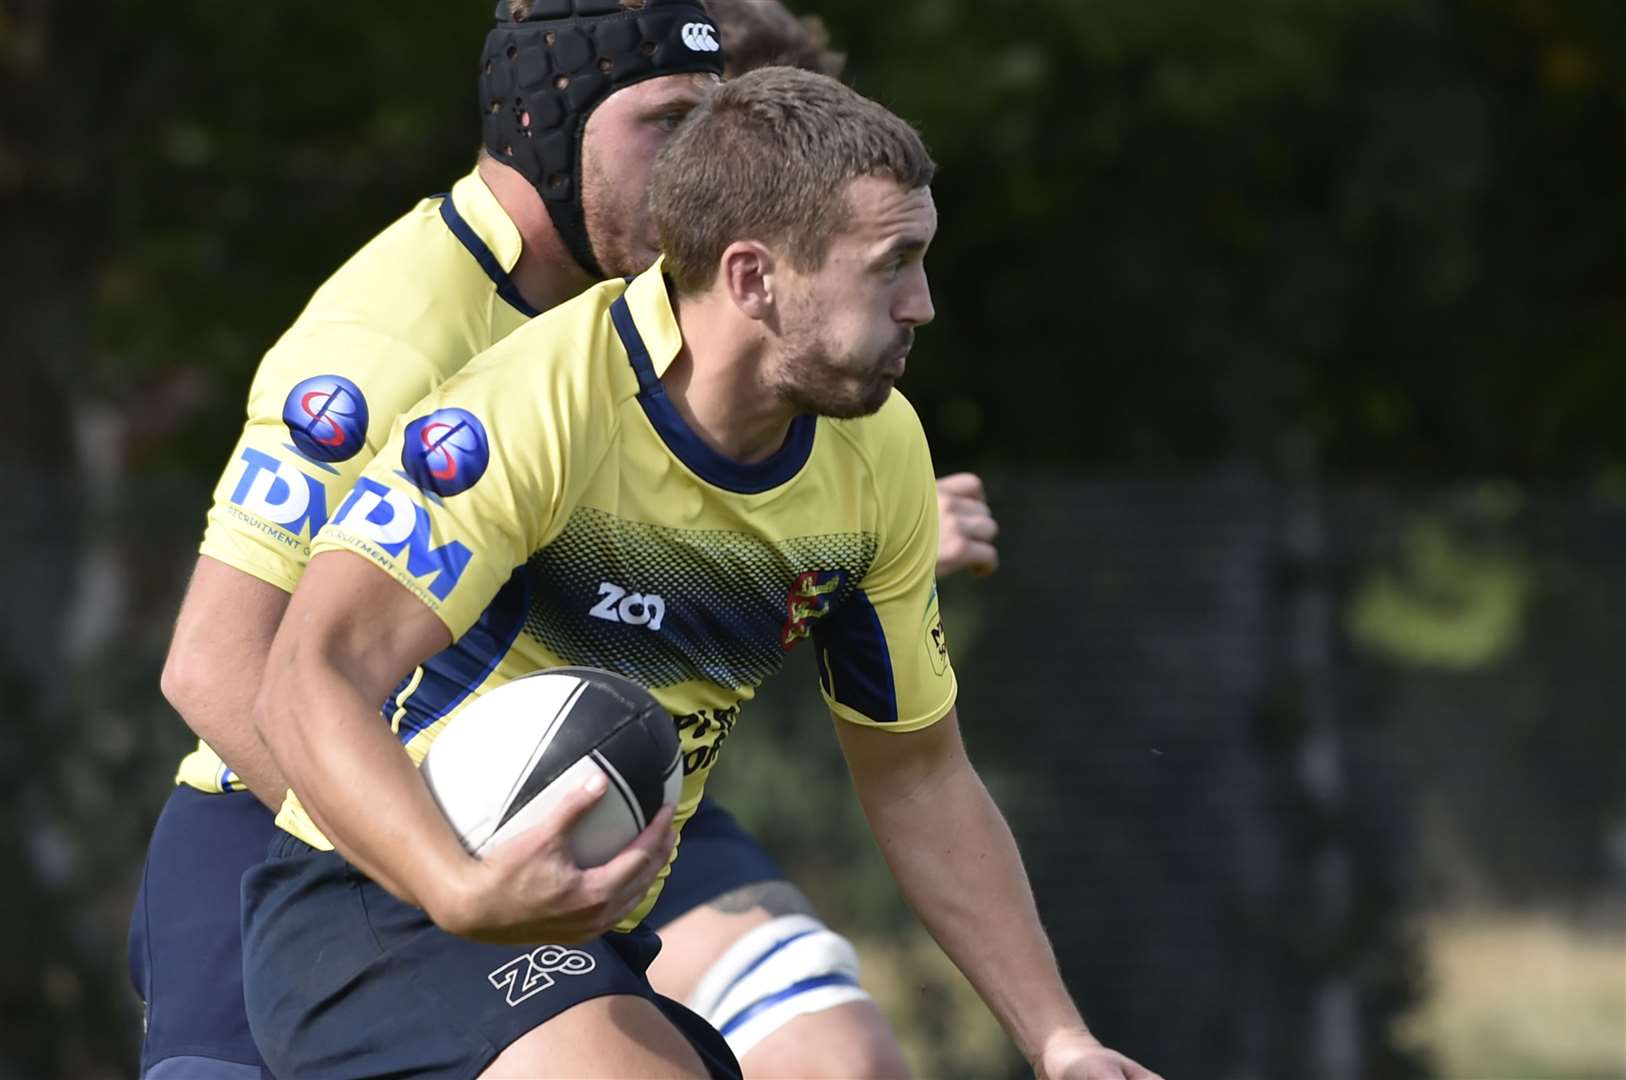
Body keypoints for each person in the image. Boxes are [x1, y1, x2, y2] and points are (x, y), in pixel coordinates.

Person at [128, 1, 997, 1077]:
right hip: (295, 828)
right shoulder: (393, 343)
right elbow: (221, 665)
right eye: (669, 124)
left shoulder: (675, 313)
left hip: (567, 787)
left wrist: (829, 563)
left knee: (836, 1051)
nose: (699, 162)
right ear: (554, 128)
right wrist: (437, 867)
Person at [240, 65, 1160, 1080]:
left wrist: (1060, 1040)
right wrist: (458, 887)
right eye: (891, 264)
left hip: (582, 939)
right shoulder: (534, 409)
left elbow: (919, 774)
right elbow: (304, 675)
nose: (923, 305)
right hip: (378, 909)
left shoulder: (877, 453)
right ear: (753, 276)